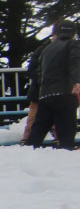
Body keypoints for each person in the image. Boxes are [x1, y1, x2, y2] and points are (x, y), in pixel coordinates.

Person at [24, 18, 79, 150]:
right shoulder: (73, 44)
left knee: (38, 130)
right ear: (74, 33)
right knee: (66, 131)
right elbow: (75, 63)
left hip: (45, 95)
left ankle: (26, 153)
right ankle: (65, 154)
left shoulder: (46, 49)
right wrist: (77, 82)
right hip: (65, 93)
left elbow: (38, 72)